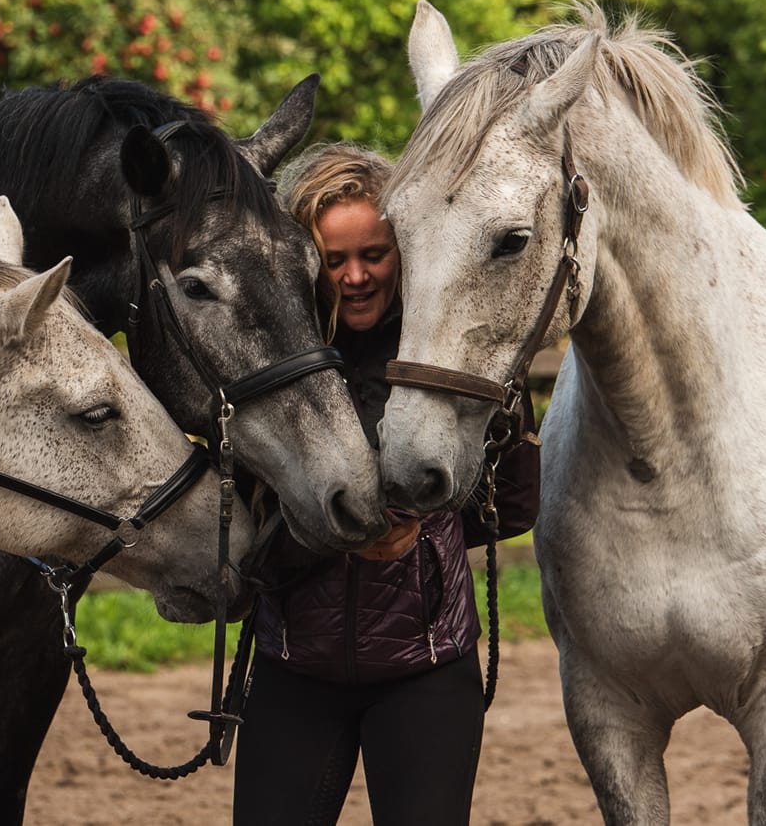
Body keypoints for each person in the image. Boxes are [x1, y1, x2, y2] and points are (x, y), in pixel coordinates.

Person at [232, 144, 541, 826]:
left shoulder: (439, 357)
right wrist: (361, 534)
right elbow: (245, 526)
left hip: (425, 668)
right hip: (294, 666)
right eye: (334, 259)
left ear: (403, 249)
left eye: (373, 254)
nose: (355, 275)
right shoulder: (278, 370)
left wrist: (432, 528)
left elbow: (515, 506)